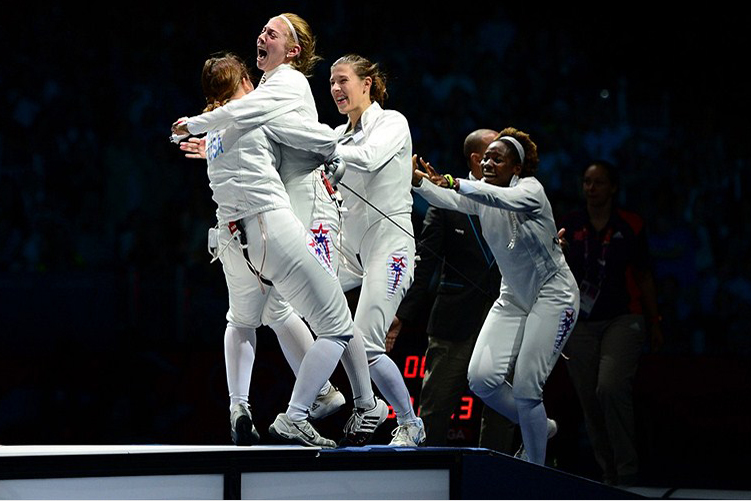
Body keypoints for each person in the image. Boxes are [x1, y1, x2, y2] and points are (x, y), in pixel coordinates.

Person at [172, 50, 362, 448]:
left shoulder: (216, 135)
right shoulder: (259, 113)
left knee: (243, 321)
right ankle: (296, 415)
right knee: (338, 326)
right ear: (245, 81)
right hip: (270, 228)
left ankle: (239, 406)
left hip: (231, 241)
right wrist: (336, 151)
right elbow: (323, 138)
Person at [411, 127, 579, 465]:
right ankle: (537, 426)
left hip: (553, 296)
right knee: (482, 379)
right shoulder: (483, 193)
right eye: (486, 157)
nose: (488, 162)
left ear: (516, 169)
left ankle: (534, 467)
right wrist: (419, 183)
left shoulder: (531, 190)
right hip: (513, 297)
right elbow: (451, 200)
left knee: (528, 388)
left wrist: (455, 181)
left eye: (497, 158)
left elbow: (499, 199)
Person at [387, 128, 517, 453]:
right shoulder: (444, 203)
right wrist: (401, 316)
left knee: (502, 410)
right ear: (477, 159)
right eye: (495, 152)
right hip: (455, 323)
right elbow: (425, 264)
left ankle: (495, 482)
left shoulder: (512, 201)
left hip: (503, 324)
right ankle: (428, 479)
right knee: (437, 405)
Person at [328, 54, 425, 446]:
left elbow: (368, 160)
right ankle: (325, 396)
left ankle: (409, 422)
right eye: (331, 82)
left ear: (367, 83)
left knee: (367, 342)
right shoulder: (335, 135)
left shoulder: (392, 123)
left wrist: (323, 148)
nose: (336, 88)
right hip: (349, 247)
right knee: (297, 295)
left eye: (343, 80)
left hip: (390, 245)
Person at [559, 160, 663, 486]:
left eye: (599, 182)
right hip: (581, 323)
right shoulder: (571, 225)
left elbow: (645, 277)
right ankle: (608, 475)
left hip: (623, 318)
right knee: (590, 398)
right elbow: (556, 274)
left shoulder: (630, 224)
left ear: (613, 187)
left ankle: (628, 472)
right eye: (587, 182)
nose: (591, 188)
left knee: (611, 387)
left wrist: (654, 322)